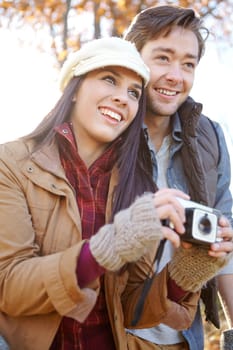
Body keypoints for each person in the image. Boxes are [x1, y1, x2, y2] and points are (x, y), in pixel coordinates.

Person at [0, 36, 231, 350]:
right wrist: (108, 247)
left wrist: (189, 270)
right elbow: (9, 287)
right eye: (110, 79)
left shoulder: (136, 183)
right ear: (74, 88)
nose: (123, 98)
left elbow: (132, 311)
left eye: (134, 92)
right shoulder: (11, 164)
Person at [124, 4, 233, 350]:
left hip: (183, 338)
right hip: (111, 333)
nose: (176, 76)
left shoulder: (209, 138)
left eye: (188, 64)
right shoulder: (101, 128)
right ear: (133, 59)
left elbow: (226, 249)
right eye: (163, 58)